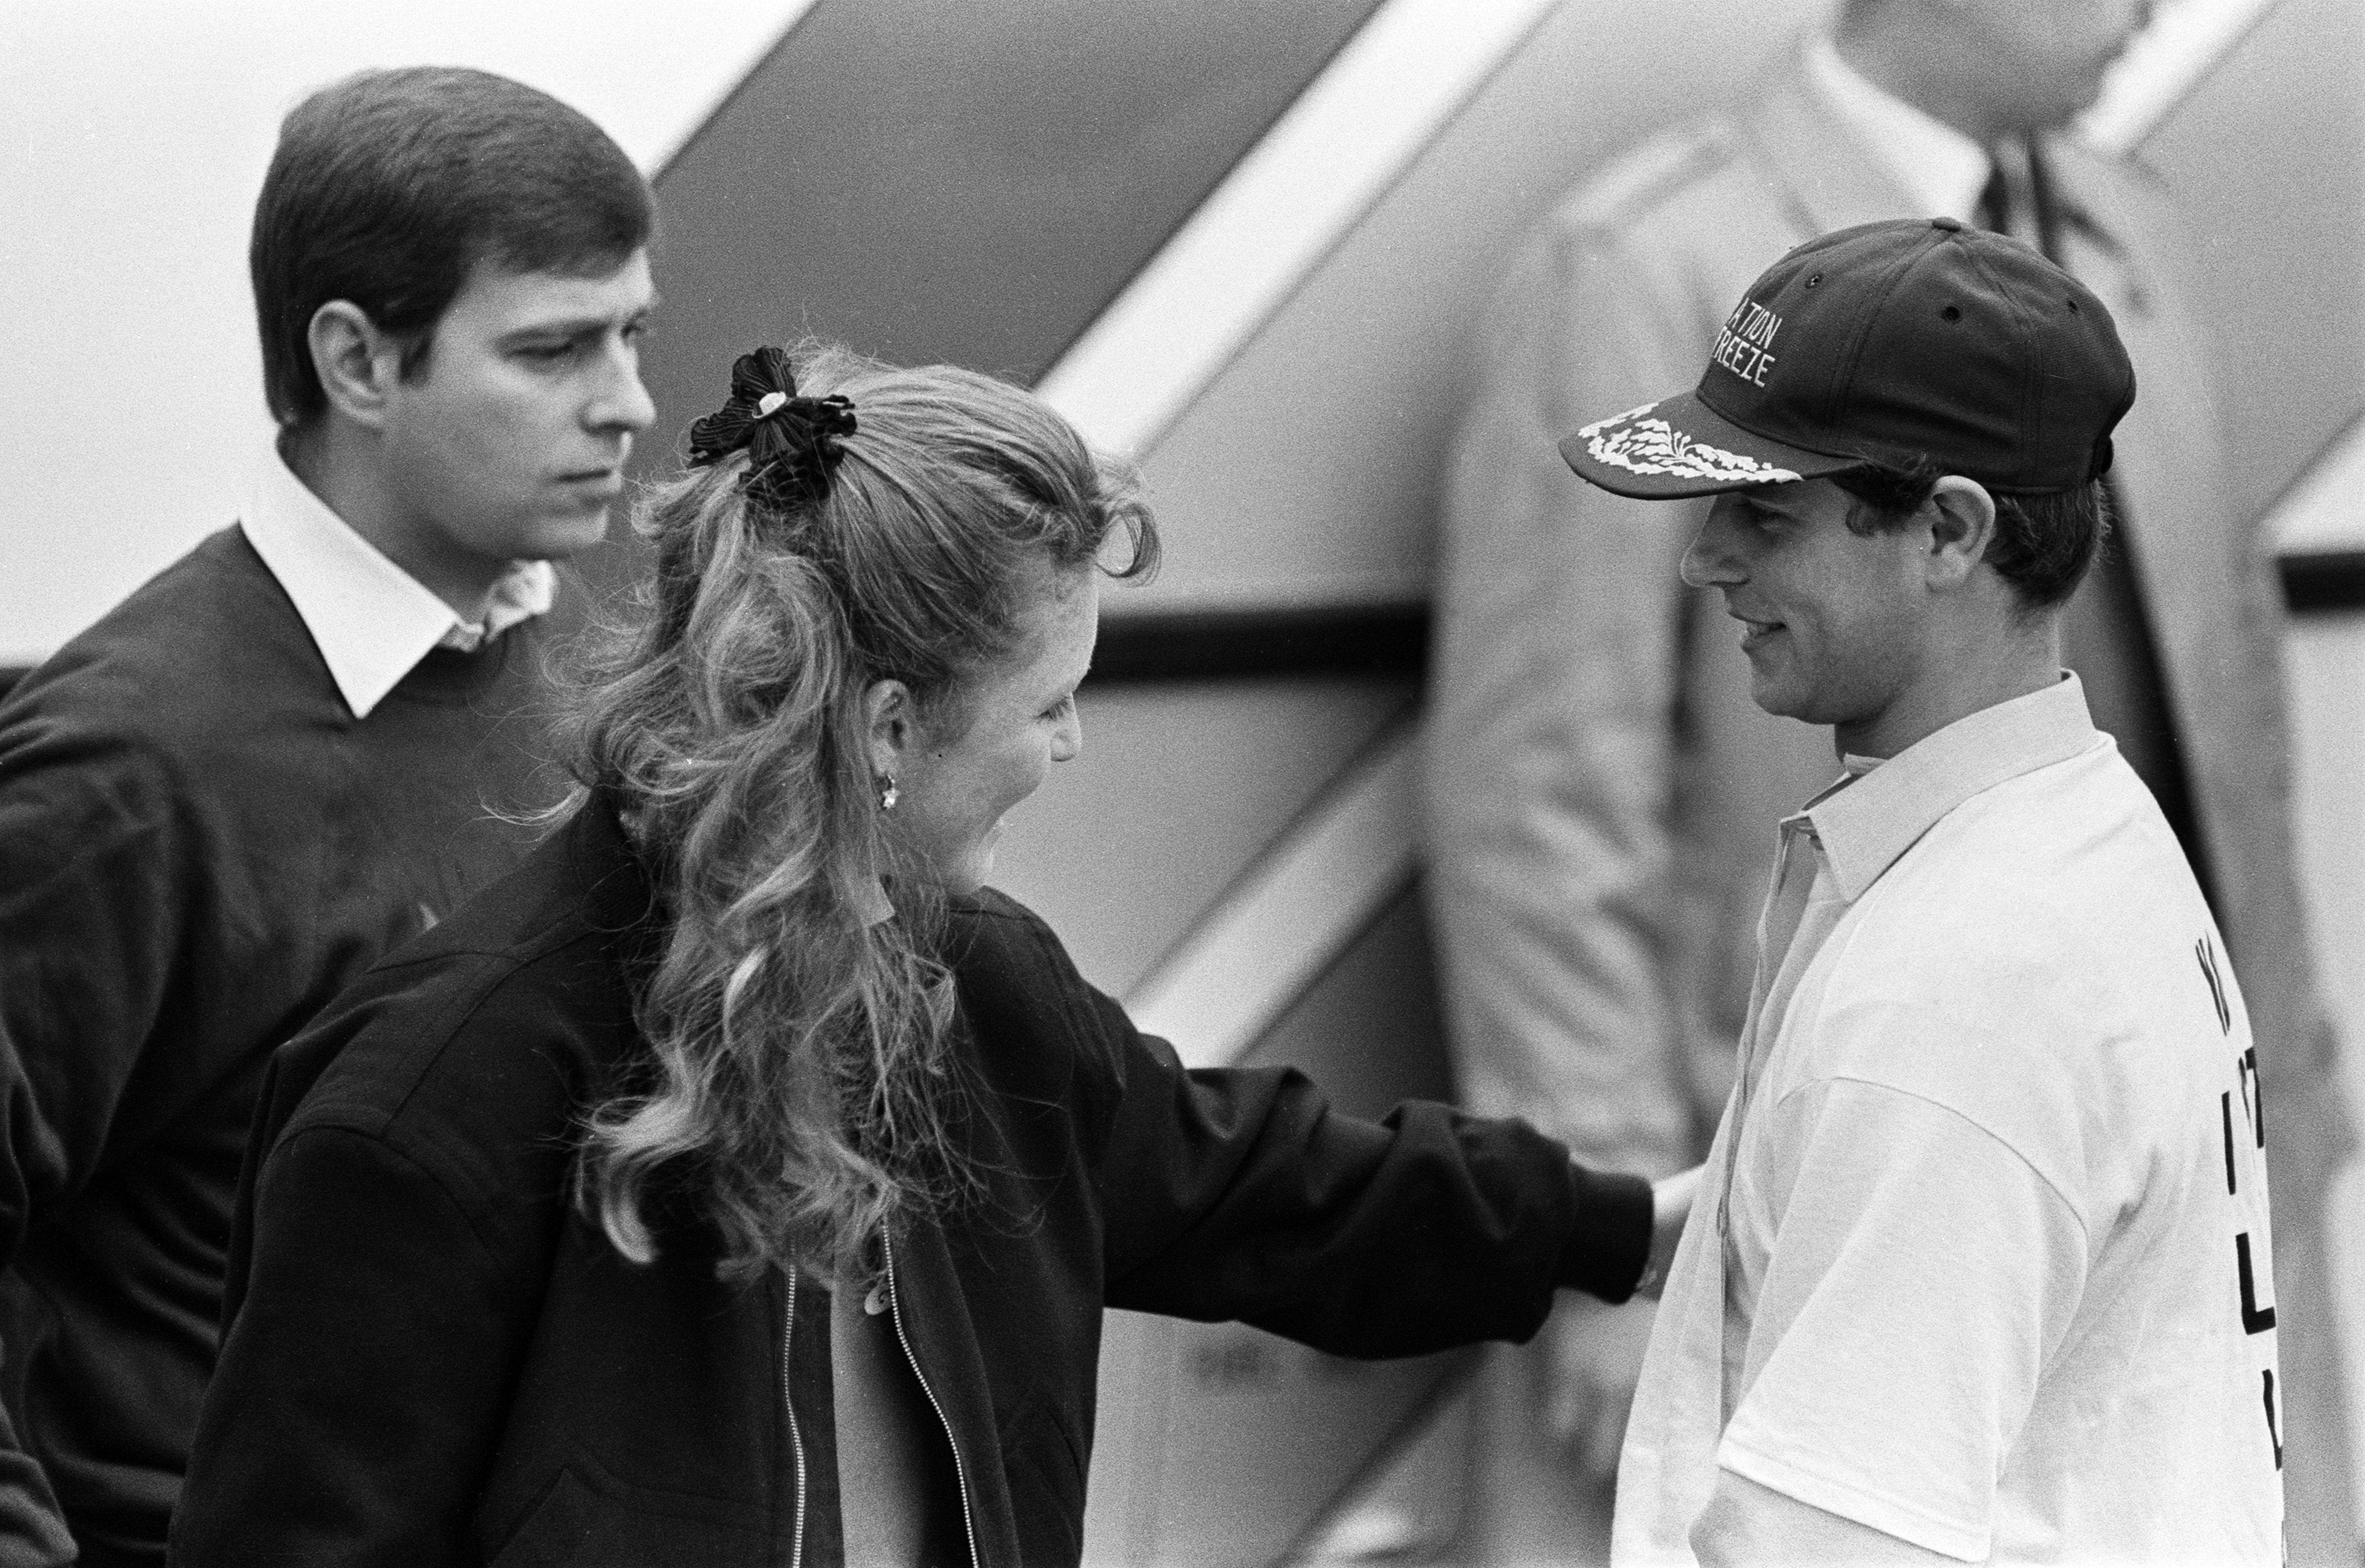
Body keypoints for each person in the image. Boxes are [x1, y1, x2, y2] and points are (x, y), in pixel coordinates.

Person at [168, 343, 1686, 1567]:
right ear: (889, 731)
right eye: (1049, 704)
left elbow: (1260, 1186)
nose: (1075, 745)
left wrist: (1628, 1226)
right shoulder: (435, 1103)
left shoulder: (980, 990)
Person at [1422, 0, 2349, 1552]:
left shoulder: (2129, 234)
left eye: (1762, 515)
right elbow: (1537, 791)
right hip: (1812, 1175)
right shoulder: (1641, 260)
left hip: (2121, 1172)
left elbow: (2234, 696)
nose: (2146, 8)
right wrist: (1601, 1233)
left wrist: (2286, 1117)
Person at [0, 67, 655, 1565]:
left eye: (633, 335)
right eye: (556, 348)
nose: (627, 402)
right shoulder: (133, 771)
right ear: (358, 361)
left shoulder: (568, 676)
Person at [1557, 217, 2283, 1564]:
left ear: (1949, 531)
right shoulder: (2079, 840)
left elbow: (1832, 1545)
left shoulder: (1962, 985)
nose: (1703, 560)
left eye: (1762, 512)